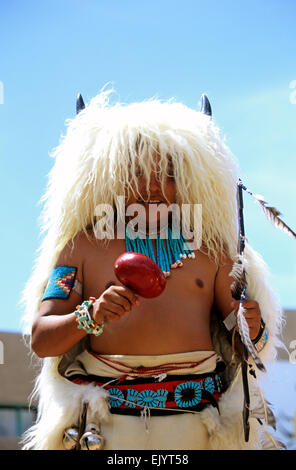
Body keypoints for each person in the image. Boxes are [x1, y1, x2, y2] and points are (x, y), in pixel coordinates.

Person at [21, 89, 284, 450]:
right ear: (112, 176)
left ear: (189, 180)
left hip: (199, 432)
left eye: (169, 174)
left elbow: (248, 346)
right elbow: (42, 339)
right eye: (138, 173)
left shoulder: (213, 251)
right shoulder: (81, 247)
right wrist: (91, 315)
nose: (153, 187)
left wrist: (253, 328)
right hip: (106, 433)